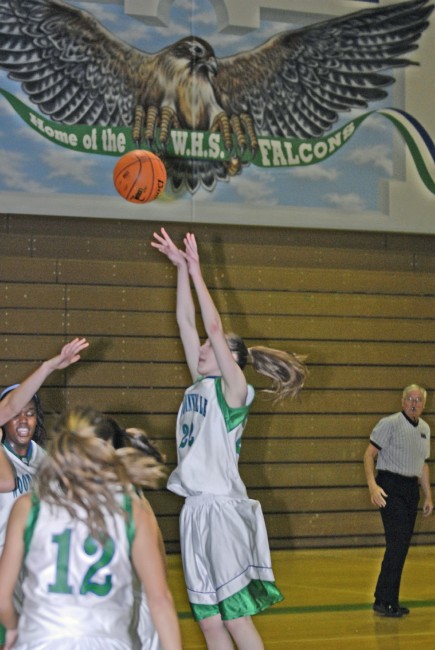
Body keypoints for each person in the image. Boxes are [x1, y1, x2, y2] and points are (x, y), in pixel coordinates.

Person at [151, 227, 308, 650]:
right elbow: (185, 322)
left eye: (210, 347)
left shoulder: (235, 391)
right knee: (210, 622)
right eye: (202, 346)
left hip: (222, 510)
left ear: (231, 361)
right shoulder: (199, 384)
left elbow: (213, 327)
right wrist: (179, 269)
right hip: (193, 510)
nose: (202, 348)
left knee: (235, 616)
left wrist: (197, 270)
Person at [0, 407, 183, 650]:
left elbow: (2, 596)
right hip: (108, 641)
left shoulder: (28, 506)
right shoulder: (131, 508)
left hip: (41, 639)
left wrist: (13, 629)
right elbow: (160, 600)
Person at [0, 338, 89, 650]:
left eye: (30, 413)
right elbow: (7, 482)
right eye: (16, 414)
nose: (23, 419)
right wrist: (50, 366)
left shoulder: (43, 458)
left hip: (37, 559)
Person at [363, 384, 433, 618]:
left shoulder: (424, 429)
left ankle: (385, 599)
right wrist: (373, 486)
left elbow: (423, 465)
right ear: (403, 401)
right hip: (390, 486)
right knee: (397, 543)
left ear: (424, 404)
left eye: (419, 400)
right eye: (410, 399)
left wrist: (428, 496)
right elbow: (369, 455)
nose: (414, 403)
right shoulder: (390, 423)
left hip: (410, 489)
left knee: (400, 546)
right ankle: (386, 600)